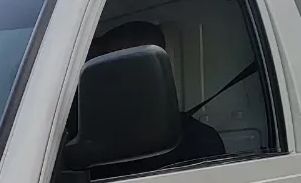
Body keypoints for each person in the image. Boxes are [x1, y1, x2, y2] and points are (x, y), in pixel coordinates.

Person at [87, 18, 225, 167]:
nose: (106, 80)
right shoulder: (85, 137)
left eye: (116, 70)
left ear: (152, 72)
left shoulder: (197, 142)